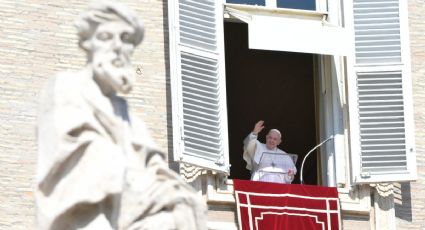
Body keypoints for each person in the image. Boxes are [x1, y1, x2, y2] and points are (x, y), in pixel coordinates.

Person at [35, 1, 206, 229]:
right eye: (106, 37)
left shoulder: (127, 114)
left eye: (125, 39)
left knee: (185, 208)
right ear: (88, 43)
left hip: (131, 210)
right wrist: (138, 181)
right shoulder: (65, 87)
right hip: (89, 215)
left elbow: (155, 168)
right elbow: (76, 157)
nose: (117, 47)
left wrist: (174, 195)